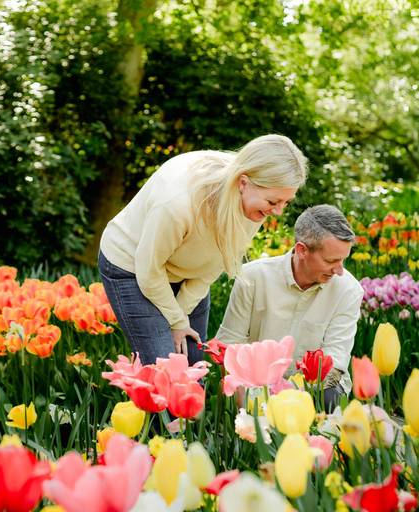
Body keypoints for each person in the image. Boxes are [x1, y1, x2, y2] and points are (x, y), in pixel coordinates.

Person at [98, 135, 309, 366]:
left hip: (189, 274)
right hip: (134, 269)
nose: (278, 212)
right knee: (164, 368)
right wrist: (177, 321)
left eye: (285, 203)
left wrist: (179, 317)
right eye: (273, 202)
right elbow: (149, 271)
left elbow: (214, 265)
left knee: (192, 364)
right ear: (243, 182)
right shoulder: (177, 204)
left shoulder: (254, 204)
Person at [216, 204, 363, 411]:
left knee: (330, 399)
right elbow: (229, 343)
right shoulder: (252, 278)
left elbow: (335, 359)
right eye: (332, 261)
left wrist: (288, 393)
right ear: (302, 250)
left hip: (314, 389)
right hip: (253, 385)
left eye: (343, 260)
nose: (339, 270)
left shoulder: (348, 290)